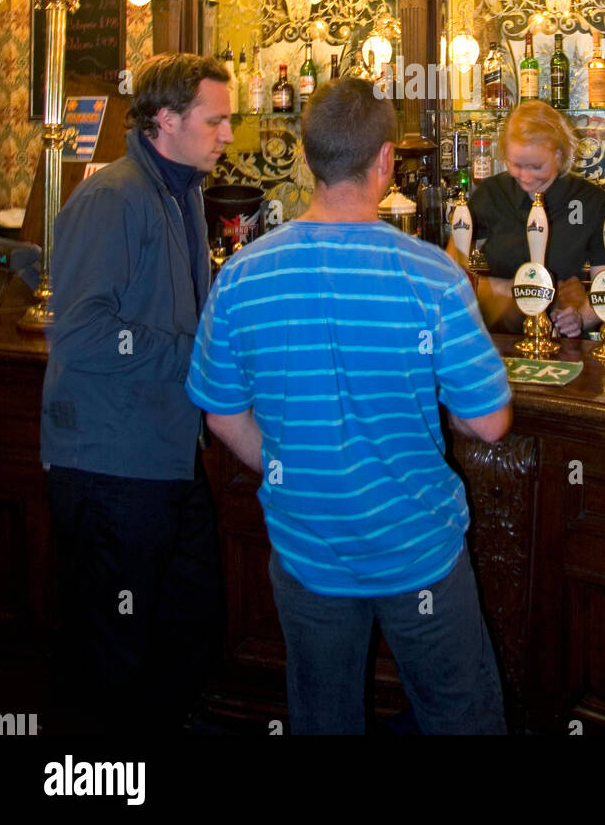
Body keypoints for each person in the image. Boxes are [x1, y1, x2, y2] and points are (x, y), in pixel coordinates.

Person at [187, 77, 512, 736]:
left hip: (306, 551)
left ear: (306, 159)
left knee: (323, 720)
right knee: (461, 718)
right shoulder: (433, 274)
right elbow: (490, 420)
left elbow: (222, 415)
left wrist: (285, 465)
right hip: (419, 548)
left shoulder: (243, 275)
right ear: (386, 160)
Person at [40, 53, 234, 734]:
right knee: (109, 654)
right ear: (166, 120)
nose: (229, 134)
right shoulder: (113, 196)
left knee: (187, 622)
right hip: (108, 462)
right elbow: (84, 335)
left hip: (163, 457)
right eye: (217, 120)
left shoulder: (181, 193)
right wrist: (199, 358)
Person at [450, 101, 605, 336]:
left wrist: (579, 319)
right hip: (501, 339)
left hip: (560, 341)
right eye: (516, 165)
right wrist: (505, 288)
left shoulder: (591, 201)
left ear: (558, 154)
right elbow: (449, 272)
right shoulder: (493, 193)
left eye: (536, 166)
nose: (525, 177)